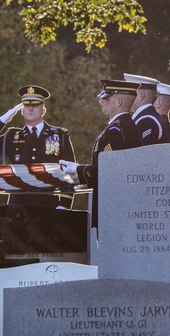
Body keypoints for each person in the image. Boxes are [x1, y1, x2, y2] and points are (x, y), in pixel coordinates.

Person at [0, 85, 76, 208]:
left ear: (43, 110)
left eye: (35, 105)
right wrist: (3, 120)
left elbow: (71, 172)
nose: (30, 108)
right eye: (27, 105)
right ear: (22, 111)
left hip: (48, 204)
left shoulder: (59, 135)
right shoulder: (12, 136)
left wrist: (64, 205)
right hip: (18, 205)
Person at [60, 79, 140, 230]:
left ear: (119, 102)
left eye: (106, 98)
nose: (101, 102)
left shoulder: (117, 131)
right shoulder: (123, 126)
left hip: (113, 206)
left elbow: (109, 170)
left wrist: (77, 170)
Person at [125, 73, 167, 145]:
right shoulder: (148, 117)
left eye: (130, 93)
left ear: (141, 95)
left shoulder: (146, 121)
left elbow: (145, 154)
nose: (126, 97)